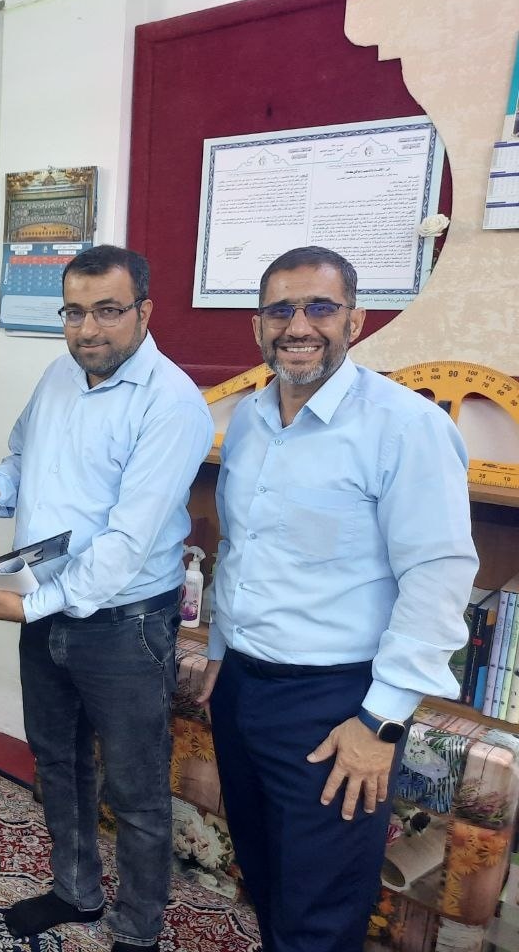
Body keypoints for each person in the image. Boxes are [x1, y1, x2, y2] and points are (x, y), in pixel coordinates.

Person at [196, 246, 478, 952]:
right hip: (243, 690)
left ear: (356, 320)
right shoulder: (250, 419)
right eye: (280, 311)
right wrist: (222, 653)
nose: (299, 326)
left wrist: (379, 723)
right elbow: (243, 549)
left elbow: (437, 577)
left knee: (320, 911)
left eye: (319, 307)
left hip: (336, 707)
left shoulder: (405, 427)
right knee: (264, 878)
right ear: (258, 326)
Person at [0, 245, 213, 951]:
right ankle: (76, 892)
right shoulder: (59, 374)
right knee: (58, 762)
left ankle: (139, 928)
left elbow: (127, 542)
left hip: (126, 625)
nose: (88, 329)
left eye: (108, 311)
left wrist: (29, 606)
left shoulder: (173, 403)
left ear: (144, 311)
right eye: (74, 312)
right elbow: (22, 461)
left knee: (135, 788)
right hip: (45, 606)